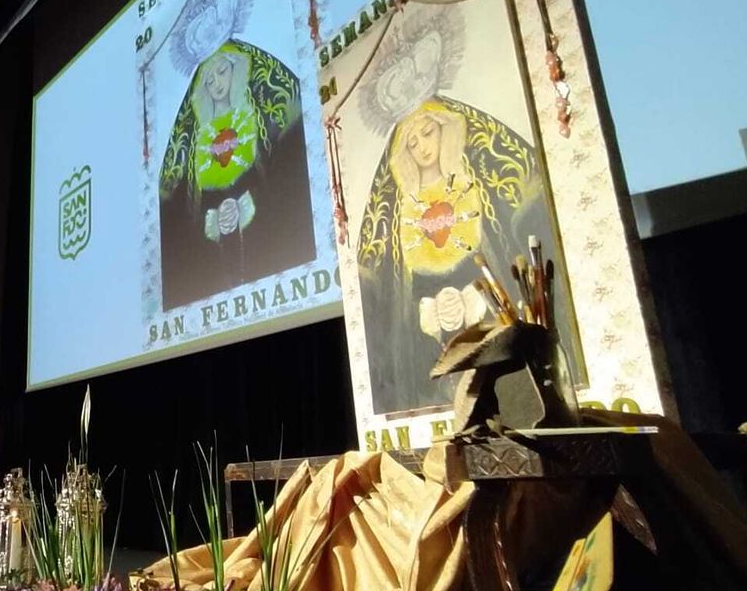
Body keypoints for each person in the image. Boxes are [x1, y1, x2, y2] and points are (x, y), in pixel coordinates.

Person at [355, 95, 574, 413]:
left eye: (428, 133)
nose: (422, 148)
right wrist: (428, 313)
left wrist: (473, 300)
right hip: (436, 341)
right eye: (412, 144)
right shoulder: (395, 212)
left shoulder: (480, 180)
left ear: (446, 129)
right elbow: (389, 292)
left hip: (489, 323)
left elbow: (508, 245)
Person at [157, 38, 316, 309]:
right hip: (209, 276)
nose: (217, 83)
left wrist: (252, 204)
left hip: (271, 250)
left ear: (236, 70)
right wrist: (210, 224)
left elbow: (289, 176)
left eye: (222, 71)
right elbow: (179, 217)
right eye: (209, 79)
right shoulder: (195, 139)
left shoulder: (260, 117)